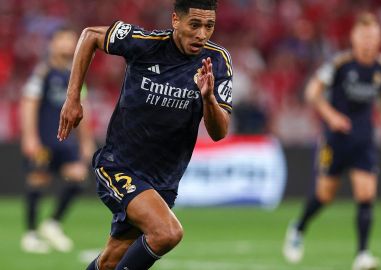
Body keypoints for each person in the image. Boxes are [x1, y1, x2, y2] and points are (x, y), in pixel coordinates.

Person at [57, 0, 232, 269]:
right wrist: (72, 99)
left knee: (110, 261)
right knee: (167, 233)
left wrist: (208, 98)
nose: (201, 34)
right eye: (194, 24)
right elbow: (90, 35)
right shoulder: (145, 43)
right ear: (176, 20)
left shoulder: (217, 61)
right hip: (119, 166)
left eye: (209, 26)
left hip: (163, 181)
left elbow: (219, 132)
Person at [283, 12, 381, 270]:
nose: (369, 42)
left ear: (379, 38)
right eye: (364, 36)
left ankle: (362, 255)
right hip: (335, 140)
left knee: (366, 194)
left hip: (363, 140)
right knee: (325, 195)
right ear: (354, 37)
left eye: (373, 37)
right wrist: (332, 116)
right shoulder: (339, 63)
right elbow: (312, 92)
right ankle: (298, 228)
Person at [20, 27, 95, 254]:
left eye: (70, 41)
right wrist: (30, 137)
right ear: (52, 44)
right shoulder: (43, 72)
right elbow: (28, 104)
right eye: (62, 40)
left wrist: (86, 141)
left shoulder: (75, 76)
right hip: (43, 139)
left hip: (65, 140)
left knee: (78, 177)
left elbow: (84, 109)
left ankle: (52, 223)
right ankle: (31, 234)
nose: (67, 45)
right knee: (37, 181)